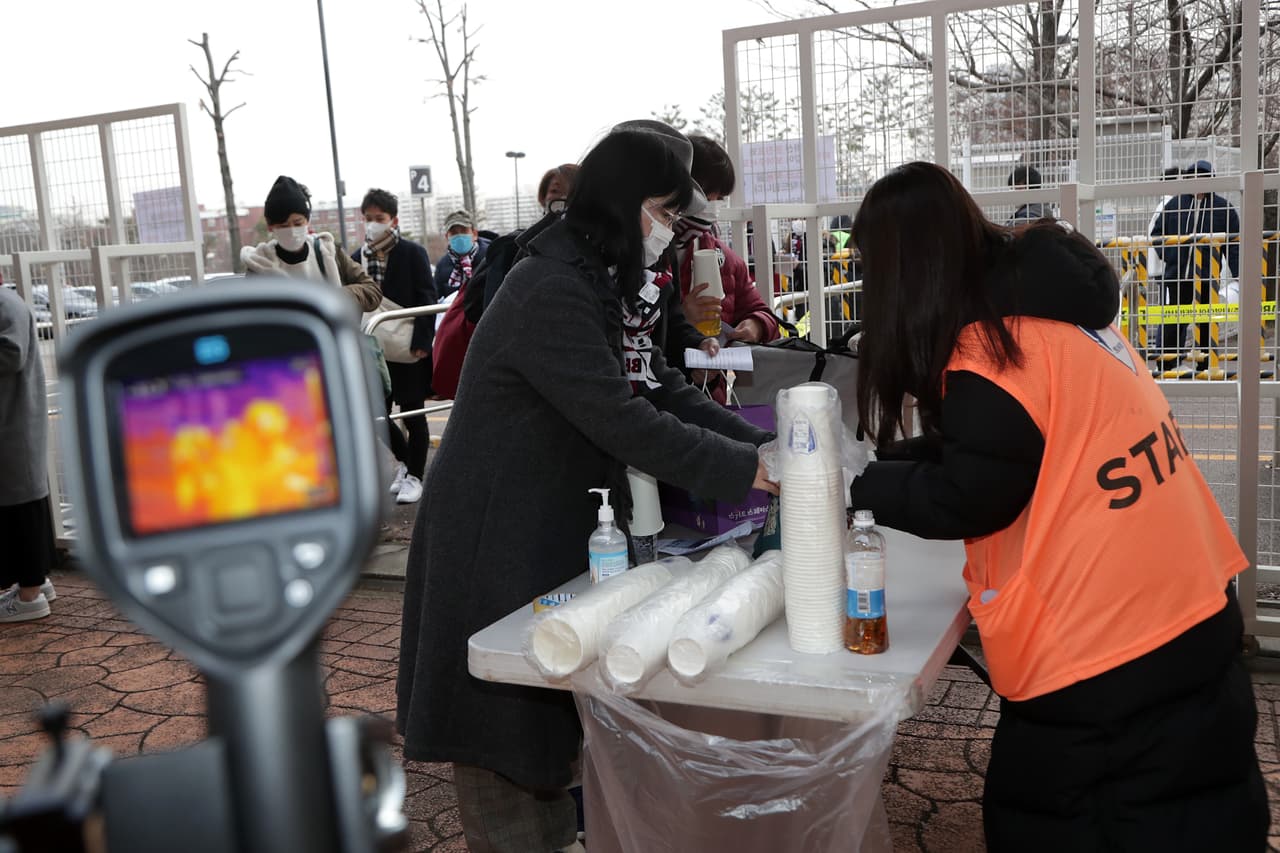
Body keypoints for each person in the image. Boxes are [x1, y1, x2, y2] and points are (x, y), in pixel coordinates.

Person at [846, 161, 1268, 851]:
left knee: (1064, 817)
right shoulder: (1050, 317)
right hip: (1183, 610)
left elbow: (968, 494)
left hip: (1104, 653)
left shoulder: (990, 348)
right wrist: (881, 465)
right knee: (1194, 807)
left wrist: (853, 486)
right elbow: (1008, 454)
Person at [396, 123, 777, 853]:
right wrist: (750, 470)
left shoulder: (603, 278)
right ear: (628, 201)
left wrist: (765, 445)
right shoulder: (551, 285)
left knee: (545, 732)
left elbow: (659, 386)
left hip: (545, 525)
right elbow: (624, 418)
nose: (670, 231)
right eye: (665, 212)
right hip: (494, 539)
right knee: (505, 743)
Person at [672, 134, 780, 399]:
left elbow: (762, 312)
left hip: (712, 401)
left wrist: (755, 325)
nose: (714, 205)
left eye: (720, 197)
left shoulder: (726, 259)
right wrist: (681, 324)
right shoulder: (646, 256)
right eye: (709, 194)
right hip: (663, 399)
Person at [352, 188, 436, 504]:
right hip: (372, 352)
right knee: (375, 414)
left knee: (413, 413)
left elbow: (427, 297)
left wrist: (421, 342)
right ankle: (403, 465)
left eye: (380, 218)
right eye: (369, 219)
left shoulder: (412, 253)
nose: (373, 224)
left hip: (408, 349)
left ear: (393, 220)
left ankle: (416, 476)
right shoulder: (356, 257)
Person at [240, 176, 382, 313]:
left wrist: (336, 296)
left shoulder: (328, 252)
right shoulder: (259, 266)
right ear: (271, 227)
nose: (292, 231)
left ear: (307, 221)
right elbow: (251, 313)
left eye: (297, 223)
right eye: (283, 226)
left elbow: (372, 290)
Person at [0, 286, 58, 622]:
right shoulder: (8, 302)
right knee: (22, 504)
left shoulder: (5, 304)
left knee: (21, 507)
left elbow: (11, 354)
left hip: (13, 423)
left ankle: (30, 597)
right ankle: (34, 583)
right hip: (13, 420)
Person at [1151, 160, 1242, 363]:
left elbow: (1233, 244)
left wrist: (1238, 274)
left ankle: (1205, 364)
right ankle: (1169, 364)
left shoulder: (1223, 208)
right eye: (1194, 176)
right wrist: (1171, 256)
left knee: (1206, 321)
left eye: (1203, 177)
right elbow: (1157, 233)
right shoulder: (1175, 204)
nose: (1198, 180)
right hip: (1176, 275)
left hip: (1207, 277)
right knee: (1174, 321)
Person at [433, 209, 490, 302]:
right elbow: (436, 296)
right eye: (454, 233)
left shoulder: (489, 257)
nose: (459, 236)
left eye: (464, 231)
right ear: (447, 237)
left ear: (474, 234)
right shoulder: (442, 266)